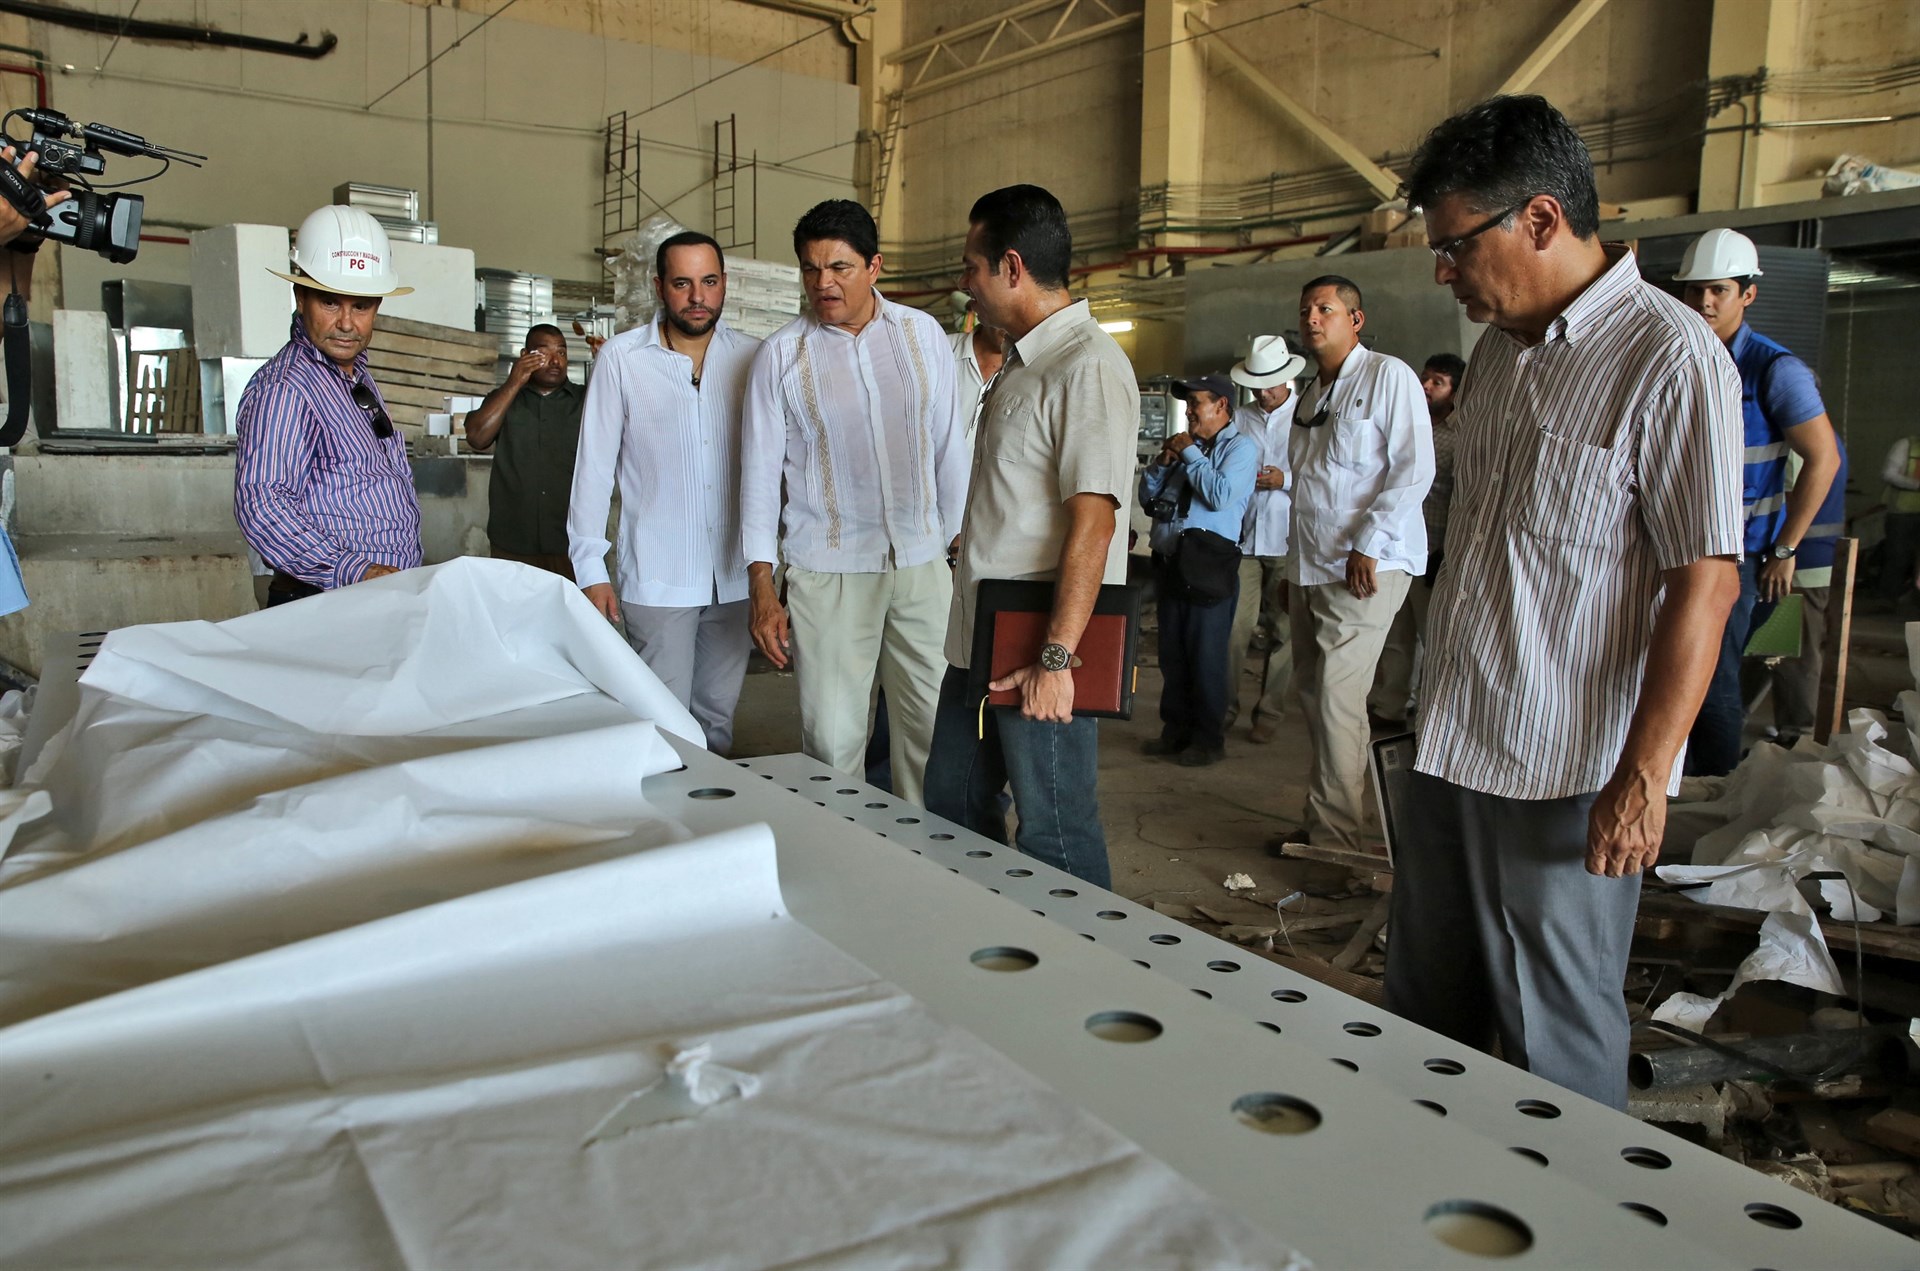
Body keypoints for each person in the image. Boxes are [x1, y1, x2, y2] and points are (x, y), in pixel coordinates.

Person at [1386, 94, 1743, 1109]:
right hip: (1454, 741)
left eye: (1456, 245)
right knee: (1424, 1012)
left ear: (1540, 219)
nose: (1443, 272)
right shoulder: (1499, 355)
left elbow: (1705, 581)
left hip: (1563, 774)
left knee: (1557, 1040)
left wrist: (1644, 774)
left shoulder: (1669, 359)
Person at [924, 183, 1136, 888]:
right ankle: (982, 947)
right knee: (952, 804)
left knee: (1054, 830)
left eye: (971, 267)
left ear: (1011, 267)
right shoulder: (1023, 362)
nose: (965, 285)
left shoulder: (1088, 367)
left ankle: (1088, 981)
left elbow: (1094, 522)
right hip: (977, 641)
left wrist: (1056, 659)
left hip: (1038, 650)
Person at [740, 200, 966, 805]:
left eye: (839, 267)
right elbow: (759, 480)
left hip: (922, 568)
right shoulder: (780, 357)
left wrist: (952, 545)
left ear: (875, 267)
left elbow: (949, 447)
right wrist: (764, 587)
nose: (824, 283)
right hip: (829, 572)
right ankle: (846, 866)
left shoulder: (922, 337)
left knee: (930, 732)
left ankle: (927, 865)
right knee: (832, 741)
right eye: (811, 270)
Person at [569, 232, 759, 754]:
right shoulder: (623, 360)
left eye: (710, 282)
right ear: (659, 287)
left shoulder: (754, 359)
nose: (698, 296)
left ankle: (708, 828)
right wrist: (590, 567)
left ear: (725, 286)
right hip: (658, 576)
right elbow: (593, 469)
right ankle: (663, 827)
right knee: (663, 726)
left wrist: (771, 569)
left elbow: (775, 471)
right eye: (682, 283)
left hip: (734, 577)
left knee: (717, 721)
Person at [1676, 228, 1841, 776]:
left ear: (1748, 294)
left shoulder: (1775, 370)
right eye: (1696, 289)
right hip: (1672, 547)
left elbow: (1823, 460)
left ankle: (1715, 793)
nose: (1704, 302)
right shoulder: (1676, 359)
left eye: (1719, 289)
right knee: (1673, 673)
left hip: (1736, 555)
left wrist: (1786, 548)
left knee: (1716, 676)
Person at [1278, 275, 1432, 852]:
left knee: (1341, 699)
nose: (1312, 319)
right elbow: (1309, 489)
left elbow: (1412, 469)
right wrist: (1293, 573)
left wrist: (1369, 542)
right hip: (1315, 566)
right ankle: (1329, 819)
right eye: (1305, 310)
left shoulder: (1388, 376)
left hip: (1367, 565)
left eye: (1325, 309)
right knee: (1316, 696)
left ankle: (1336, 844)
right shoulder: (1311, 395)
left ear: (1355, 319)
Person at [235, 205, 421, 605]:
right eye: (331, 302)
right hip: (323, 601)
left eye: (361, 306)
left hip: (374, 597)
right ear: (300, 297)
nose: (347, 323)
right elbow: (263, 504)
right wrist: (353, 570)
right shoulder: (287, 388)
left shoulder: (353, 377)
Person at [1139, 373, 1258, 766]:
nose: (1189, 412)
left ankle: (1208, 739)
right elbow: (1148, 497)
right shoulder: (1188, 448)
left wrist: (1190, 453)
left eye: (1196, 404)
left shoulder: (1240, 448)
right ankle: (1175, 731)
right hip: (1171, 559)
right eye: (1188, 405)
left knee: (1206, 654)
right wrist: (1162, 463)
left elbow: (1221, 495)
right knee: (1173, 654)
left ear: (1221, 406)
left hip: (1207, 563)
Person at [1368, 352, 1466, 728]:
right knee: (1396, 635)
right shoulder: (1411, 425)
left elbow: (1462, 497)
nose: (1425, 386)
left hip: (1435, 554)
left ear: (1455, 391)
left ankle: (1428, 716)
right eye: (1424, 378)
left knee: (1432, 638)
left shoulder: (1461, 436)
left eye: (1436, 382)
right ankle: (1389, 707)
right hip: (1397, 548)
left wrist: (1446, 552)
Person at [1224, 336, 1304, 744]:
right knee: (1235, 628)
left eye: (1270, 384)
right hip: (1245, 538)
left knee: (1285, 633)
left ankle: (1269, 712)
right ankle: (1225, 709)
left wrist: (1284, 479)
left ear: (1288, 379)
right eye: (1257, 385)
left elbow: (1326, 475)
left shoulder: (1308, 416)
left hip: (1290, 539)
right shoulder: (1240, 418)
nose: (1264, 392)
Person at [463, 324, 583, 579]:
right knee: (512, 616)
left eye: (561, 352)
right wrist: (515, 381)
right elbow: (477, 437)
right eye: (543, 353)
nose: (555, 361)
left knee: (569, 616)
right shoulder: (503, 399)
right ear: (524, 355)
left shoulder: (585, 400)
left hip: (570, 541)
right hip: (512, 539)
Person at [1758, 441, 1849, 743]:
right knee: (1776, 649)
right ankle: (1791, 731)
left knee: (1796, 656)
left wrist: (1781, 555)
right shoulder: (1828, 436)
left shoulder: (1800, 445)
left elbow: (1790, 501)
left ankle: (1798, 736)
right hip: (1810, 561)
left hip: (1798, 566)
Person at [1878, 435, 1920, 606]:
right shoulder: (1906, 445)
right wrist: (1916, 485)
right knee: (1898, 557)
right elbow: (1887, 474)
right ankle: (1889, 600)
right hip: (1902, 513)